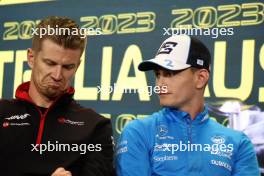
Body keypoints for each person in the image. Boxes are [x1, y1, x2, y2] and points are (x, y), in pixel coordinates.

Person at [116, 35, 260, 176]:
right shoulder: (138, 132)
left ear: (200, 78)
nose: (160, 84)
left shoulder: (238, 143)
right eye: (158, 74)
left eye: (169, 73)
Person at [0, 16, 115, 176]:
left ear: (78, 66)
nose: (57, 75)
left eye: (68, 66)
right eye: (50, 63)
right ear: (31, 58)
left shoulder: (96, 127)